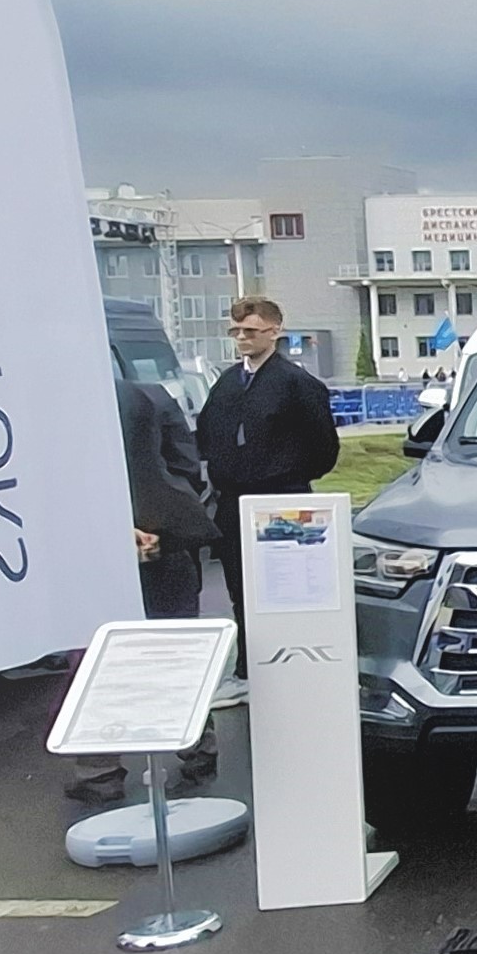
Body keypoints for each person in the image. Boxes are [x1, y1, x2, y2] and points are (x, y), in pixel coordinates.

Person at [65, 369, 224, 807]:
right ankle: (197, 747)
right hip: (162, 545)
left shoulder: (54, 407)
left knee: (95, 657)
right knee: (174, 650)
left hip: (90, 552)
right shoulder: (152, 397)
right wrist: (155, 525)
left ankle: (99, 770)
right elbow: (187, 468)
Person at [193, 297, 339, 651]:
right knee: (240, 588)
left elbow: (323, 446)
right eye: (236, 331)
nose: (242, 338)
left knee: (287, 587)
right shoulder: (227, 383)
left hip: (282, 500)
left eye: (251, 331)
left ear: (274, 332)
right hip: (233, 503)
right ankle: (248, 661)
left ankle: (292, 656)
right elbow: (208, 435)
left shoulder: (297, 384)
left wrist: (287, 476)